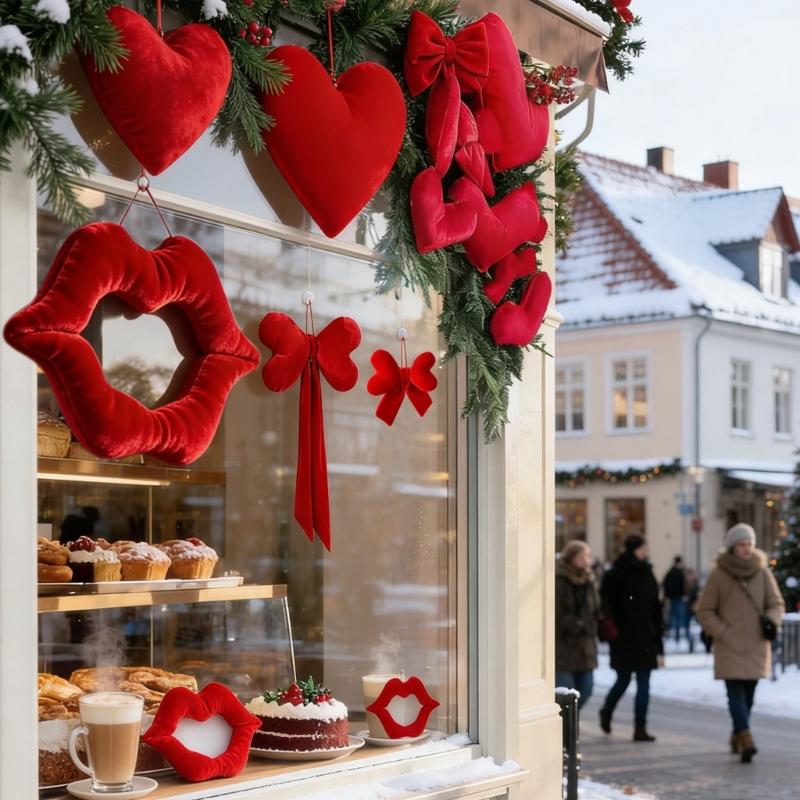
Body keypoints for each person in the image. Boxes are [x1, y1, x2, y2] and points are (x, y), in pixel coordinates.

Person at [695, 523, 784, 763]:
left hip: (756, 643)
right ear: (733, 547)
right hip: (729, 645)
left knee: (750, 696)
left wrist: (772, 621)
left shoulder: (763, 572)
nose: (747, 549)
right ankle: (746, 738)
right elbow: (704, 610)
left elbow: (776, 603)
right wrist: (723, 632)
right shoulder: (719, 575)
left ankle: (737, 733)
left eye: (750, 544)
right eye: (742, 545)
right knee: (735, 695)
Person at [598, 534, 663, 742]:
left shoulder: (626, 572)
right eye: (645, 546)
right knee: (630, 681)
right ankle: (625, 720)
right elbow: (655, 607)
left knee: (634, 681)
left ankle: (630, 723)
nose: (647, 550)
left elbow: (655, 607)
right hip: (633, 635)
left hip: (634, 635)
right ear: (638, 548)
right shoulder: (627, 573)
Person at [555, 540, 599, 710]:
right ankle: (568, 734)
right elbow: (557, 612)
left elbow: (595, 608)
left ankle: (569, 730)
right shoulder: (559, 580)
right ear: (572, 557)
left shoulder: (589, 580)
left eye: (588, 556)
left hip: (586, 646)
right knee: (566, 698)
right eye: (583, 556)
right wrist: (574, 624)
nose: (587, 559)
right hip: (564, 647)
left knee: (586, 691)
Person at [663, 555, 692, 651]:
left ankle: (675, 638)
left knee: (674, 618)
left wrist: (668, 595)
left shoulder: (670, 572)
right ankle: (682, 639)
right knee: (682, 619)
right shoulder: (679, 573)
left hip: (672, 598)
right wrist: (683, 594)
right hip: (679, 598)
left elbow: (665, 584)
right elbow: (684, 585)